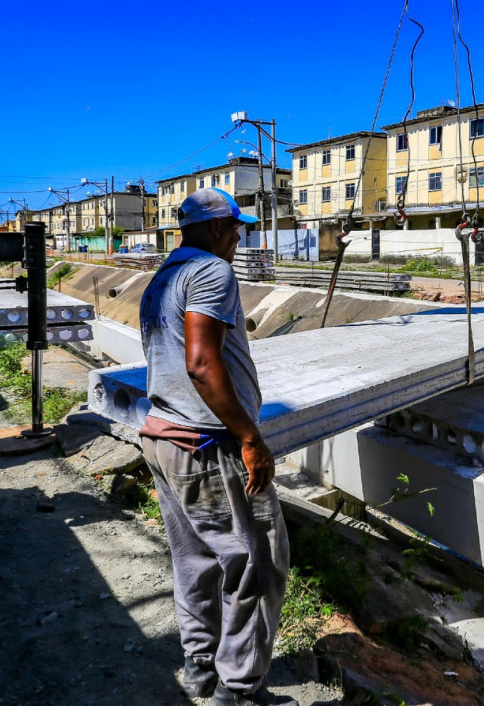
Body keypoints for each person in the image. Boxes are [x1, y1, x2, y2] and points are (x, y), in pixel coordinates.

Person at [137, 188, 293, 706]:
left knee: (195, 559)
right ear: (218, 227)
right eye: (236, 228)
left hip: (163, 435)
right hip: (208, 444)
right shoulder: (211, 271)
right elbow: (202, 363)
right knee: (257, 562)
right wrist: (249, 436)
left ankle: (200, 666)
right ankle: (239, 691)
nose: (239, 239)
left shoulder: (164, 275)